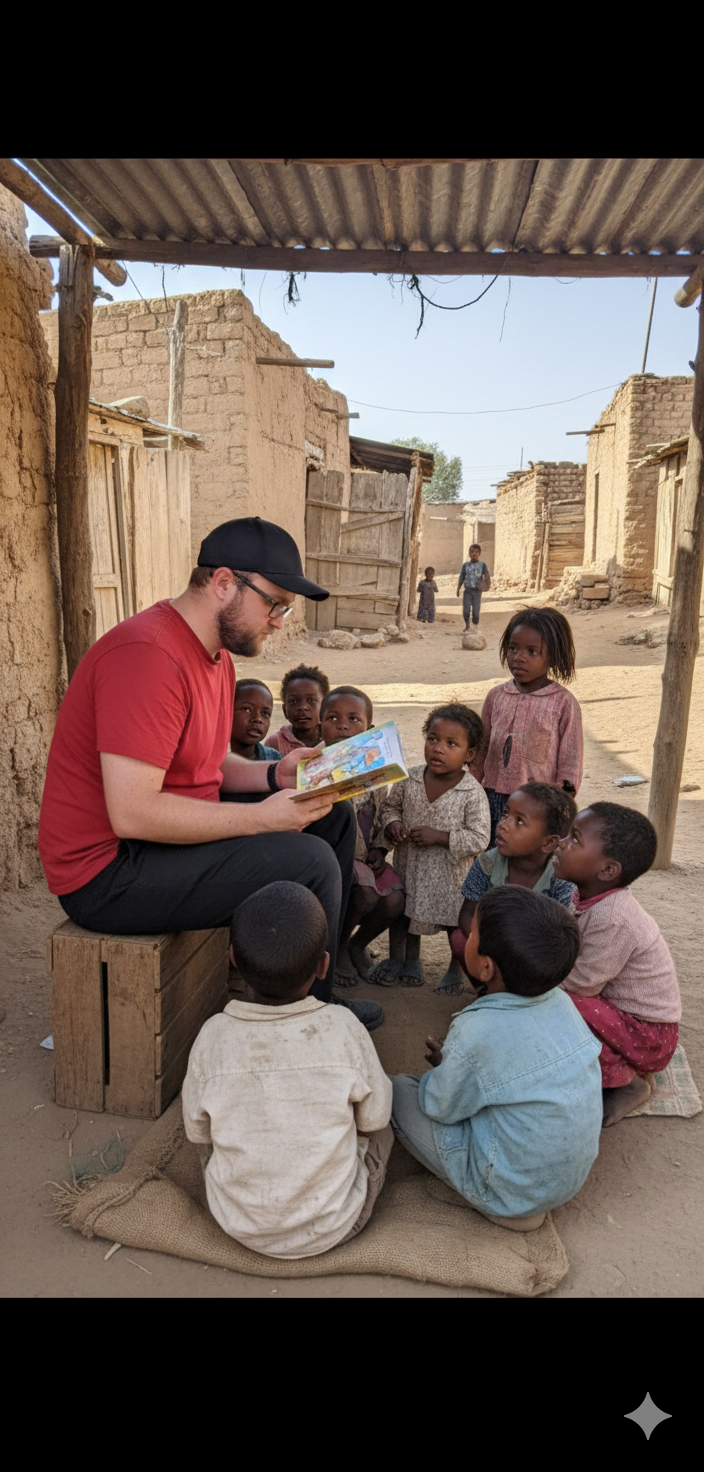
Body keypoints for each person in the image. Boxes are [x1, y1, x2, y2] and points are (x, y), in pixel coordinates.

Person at [38, 516, 382, 1031]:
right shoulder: (148, 656)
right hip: (109, 872)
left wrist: (276, 779)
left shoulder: (215, 656)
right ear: (224, 583)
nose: (280, 621)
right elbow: (132, 813)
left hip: (157, 841)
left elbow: (207, 762)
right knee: (309, 860)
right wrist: (262, 821)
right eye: (275, 604)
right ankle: (313, 1018)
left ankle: (301, 989)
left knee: (332, 819)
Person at [182, 882, 393, 1258]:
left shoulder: (212, 1036)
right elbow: (374, 1119)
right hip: (336, 1224)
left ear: (232, 957)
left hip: (237, 1223)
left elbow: (197, 1132)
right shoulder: (344, 1028)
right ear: (324, 965)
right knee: (384, 1128)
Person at [391, 886, 603, 1229]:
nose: (468, 936)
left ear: (486, 967)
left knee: (399, 1090)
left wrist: (447, 1070)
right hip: (566, 1182)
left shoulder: (477, 1027)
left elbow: (439, 1107)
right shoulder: (563, 1003)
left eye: (472, 934)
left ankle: (493, 1202)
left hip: (507, 1192)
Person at [553, 802, 681, 1127]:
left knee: (558, 1003)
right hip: (625, 1020)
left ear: (608, 870)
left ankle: (628, 1083)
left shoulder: (613, 917)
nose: (560, 843)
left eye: (574, 839)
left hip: (650, 1037)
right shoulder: (587, 896)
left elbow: (580, 985)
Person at [376, 703, 490, 994]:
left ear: (470, 754)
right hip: (410, 867)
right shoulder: (410, 778)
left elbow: (479, 837)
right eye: (433, 739)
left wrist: (440, 837)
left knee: (454, 921)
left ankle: (456, 969)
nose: (439, 748)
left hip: (450, 877)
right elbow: (390, 807)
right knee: (404, 914)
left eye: (452, 744)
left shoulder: (471, 791)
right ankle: (405, 960)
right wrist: (393, 824)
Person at [471, 606, 583, 845]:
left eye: (532, 651)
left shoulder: (563, 703)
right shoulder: (496, 697)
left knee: (526, 865)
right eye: (513, 648)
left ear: (552, 656)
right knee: (489, 860)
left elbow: (570, 765)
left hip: (536, 806)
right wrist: (471, 790)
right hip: (490, 798)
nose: (518, 657)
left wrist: (558, 807)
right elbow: (481, 752)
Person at [319, 686, 406, 989]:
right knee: (366, 893)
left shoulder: (374, 764)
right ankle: (339, 946)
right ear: (320, 727)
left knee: (395, 898)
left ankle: (357, 944)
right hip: (335, 857)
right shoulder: (318, 768)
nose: (342, 725)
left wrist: (381, 849)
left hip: (368, 856)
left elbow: (382, 812)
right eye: (332, 718)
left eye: (353, 719)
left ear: (369, 729)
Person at [449, 782, 577, 977]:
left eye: (519, 821)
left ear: (549, 842)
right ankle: (487, 991)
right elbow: (467, 915)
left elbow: (562, 937)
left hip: (540, 954)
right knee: (460, 941)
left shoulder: (561, 876)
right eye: (505, 814)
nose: (503, 825)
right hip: (495, 948)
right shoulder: (488, 862)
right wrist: (494, 951)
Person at [267, 663, 330, 756]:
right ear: (284, 710)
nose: (303, 707)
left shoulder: (333, 739)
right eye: (293, 701)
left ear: (325, 707)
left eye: (311, 700)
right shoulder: (275, 743)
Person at [229, 678, 279, 761]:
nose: (258, 719)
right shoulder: (209, 758)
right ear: (228, 711)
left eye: (265, 713)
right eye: (247, 709)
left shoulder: (273, 758)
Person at [456, 543, 490, 630]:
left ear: (479, 553)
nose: (474, 553)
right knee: (466, 610)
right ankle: (467, 625)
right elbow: (462, 577)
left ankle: (475, 626)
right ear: (469, 553)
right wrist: (458, 588)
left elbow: (487, 576)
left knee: (476, 610)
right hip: (467, 590)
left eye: (476, 552)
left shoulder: (482, 565)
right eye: (472, 552)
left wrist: (487, 585)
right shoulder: (466, 565)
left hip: (477, 591)